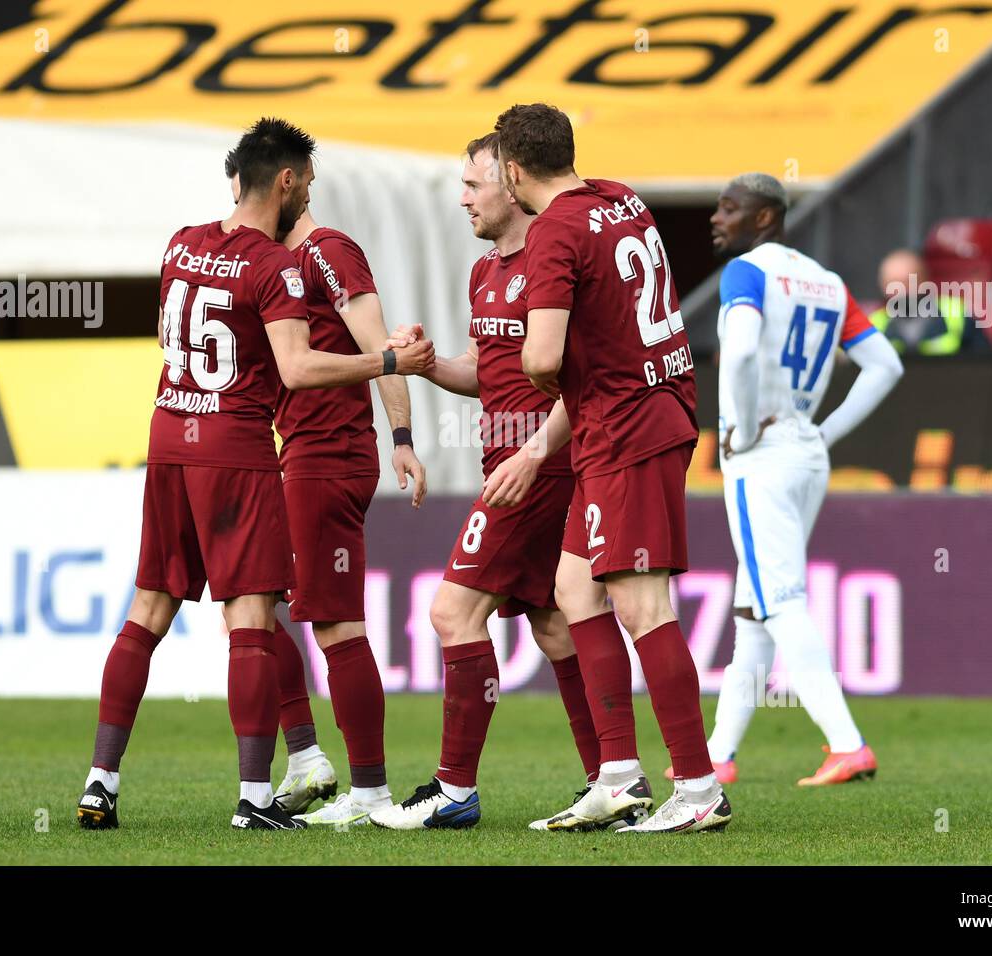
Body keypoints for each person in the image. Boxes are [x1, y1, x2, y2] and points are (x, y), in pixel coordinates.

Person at [75, 118, 434, 833]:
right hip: (245, 451)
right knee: (257, 613)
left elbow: (360, 331)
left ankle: (103, 781)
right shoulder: (273, 266)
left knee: (170, 608)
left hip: (209, 441)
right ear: (288, 182)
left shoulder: (191, 243)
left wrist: (400, 434)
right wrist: (394, 366)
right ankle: (275, 786)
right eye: (309, 183)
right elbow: (314, 363)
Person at [493, 103, 728, 834]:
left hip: (629, 428)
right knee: (573, 589)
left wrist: (541, 382)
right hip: (629, 417)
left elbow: (539, 358)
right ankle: (620, 777)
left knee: (642, 604)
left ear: (512, 171)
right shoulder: (621, 199)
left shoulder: (553, 231)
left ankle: (696, 789)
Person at [367, 132, 604, 832]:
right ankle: (613, 778)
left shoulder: (552, 262)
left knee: (451, 613)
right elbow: (488, 369)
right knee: (554, 624)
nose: (463, 197)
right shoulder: (484, 272)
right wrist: (429, 364)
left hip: (539, 468)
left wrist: (532, 454)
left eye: (474, 184)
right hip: (511, 465)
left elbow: (580, 378)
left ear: (513, 181)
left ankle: (454, 790)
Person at [220, 162, 428, 827]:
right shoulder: (279, 266)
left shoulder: (329, 253)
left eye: (250, 197)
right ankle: (307, 758)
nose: (242, 211)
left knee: (338, 624)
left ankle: (370, 794)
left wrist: (400, 435)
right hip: (296, 456)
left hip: (329, 459)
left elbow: (382, 346)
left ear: (284, 189)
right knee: (246, 605)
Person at [694, 172, 903, 787]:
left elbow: (736, 353)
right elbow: (885, 366)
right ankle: (718, 755)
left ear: (765, 218)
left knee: (779, 602)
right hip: (806, 450)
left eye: (730, 208)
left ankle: (847, 744)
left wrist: (749, 432)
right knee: (755, 612)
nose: (717, 217)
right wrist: (824, 432)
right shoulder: (830, 284)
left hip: (761, 457)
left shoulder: (747, 273)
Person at [871, 249, 991, 354]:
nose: (902, 290)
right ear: (882, 286)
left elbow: (985, 366)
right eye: (893, 283)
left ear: (924, 280)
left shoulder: (958, 315)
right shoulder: (873, 325)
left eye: (908, 281)